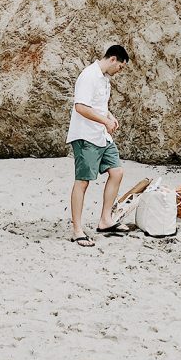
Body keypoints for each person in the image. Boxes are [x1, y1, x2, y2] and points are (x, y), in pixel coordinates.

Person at [66, 44, 130, 247]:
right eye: (120, 67)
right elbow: (81, 107)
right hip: (85, 136)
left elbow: (98, 105)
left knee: (117, 171)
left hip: (101, 135)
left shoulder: (104, 79)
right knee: (83, 181)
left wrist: (110, 116)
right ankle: (77, 230)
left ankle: (105, 220)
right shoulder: (89, 76)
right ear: (113, 59)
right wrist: (105, 121)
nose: (119, 71)